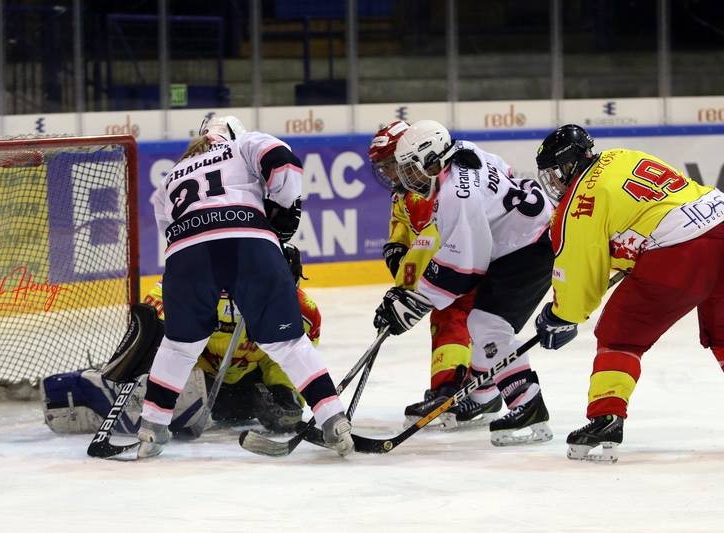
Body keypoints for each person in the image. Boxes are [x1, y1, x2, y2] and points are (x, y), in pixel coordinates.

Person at [137, 115, 353, 458]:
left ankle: (151, 428)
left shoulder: (171, 176)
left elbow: (169, 229)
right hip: (247, 243)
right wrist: (281, 211)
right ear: (234, 133)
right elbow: (284, 164)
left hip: (185, 254)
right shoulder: (244, 143)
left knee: (178, 347)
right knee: (289, 344)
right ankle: (333, 420)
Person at [534, 124, 724, 462]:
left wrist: (562, 315)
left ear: (568, 165)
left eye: (555, 172)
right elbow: (652, 211)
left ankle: (606, 416)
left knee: (620, 335)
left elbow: (580, 272)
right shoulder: (621, 156)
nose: (555, 182)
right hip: (718, 217)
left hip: (683, 251)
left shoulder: (578, 202)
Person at [373, 119, 555, 446]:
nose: (408, 181)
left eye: (412, 171)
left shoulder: (457, 195)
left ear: (430, 160)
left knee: (487, 324)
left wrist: (412, 303)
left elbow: (462, 269)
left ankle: (528, 405)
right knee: (479, 322)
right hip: (525, 239)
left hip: (528, 247)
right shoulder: (463, 151)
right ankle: (483, 397)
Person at [40, 243, 317, 436]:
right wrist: (153, 331)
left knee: (276, 416)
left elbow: (285, 358)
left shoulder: (305, 314)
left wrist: (283, 392)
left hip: (240, 387)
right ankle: (100, 389)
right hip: (195, 375)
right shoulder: (209, 288)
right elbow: (151, 316)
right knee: (184, 391)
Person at [369, 120, 502, 429]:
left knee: (453, 314)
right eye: (382, 166)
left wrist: (406, 286)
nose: (388, 173)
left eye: (391, 164)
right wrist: (396, 249)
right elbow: (402, 230)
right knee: (453, 317)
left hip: (477, 261)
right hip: (455, 264)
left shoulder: (438, 187)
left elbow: (437, 239)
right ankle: (468, 388)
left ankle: (452, 389)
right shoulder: (406, 193)